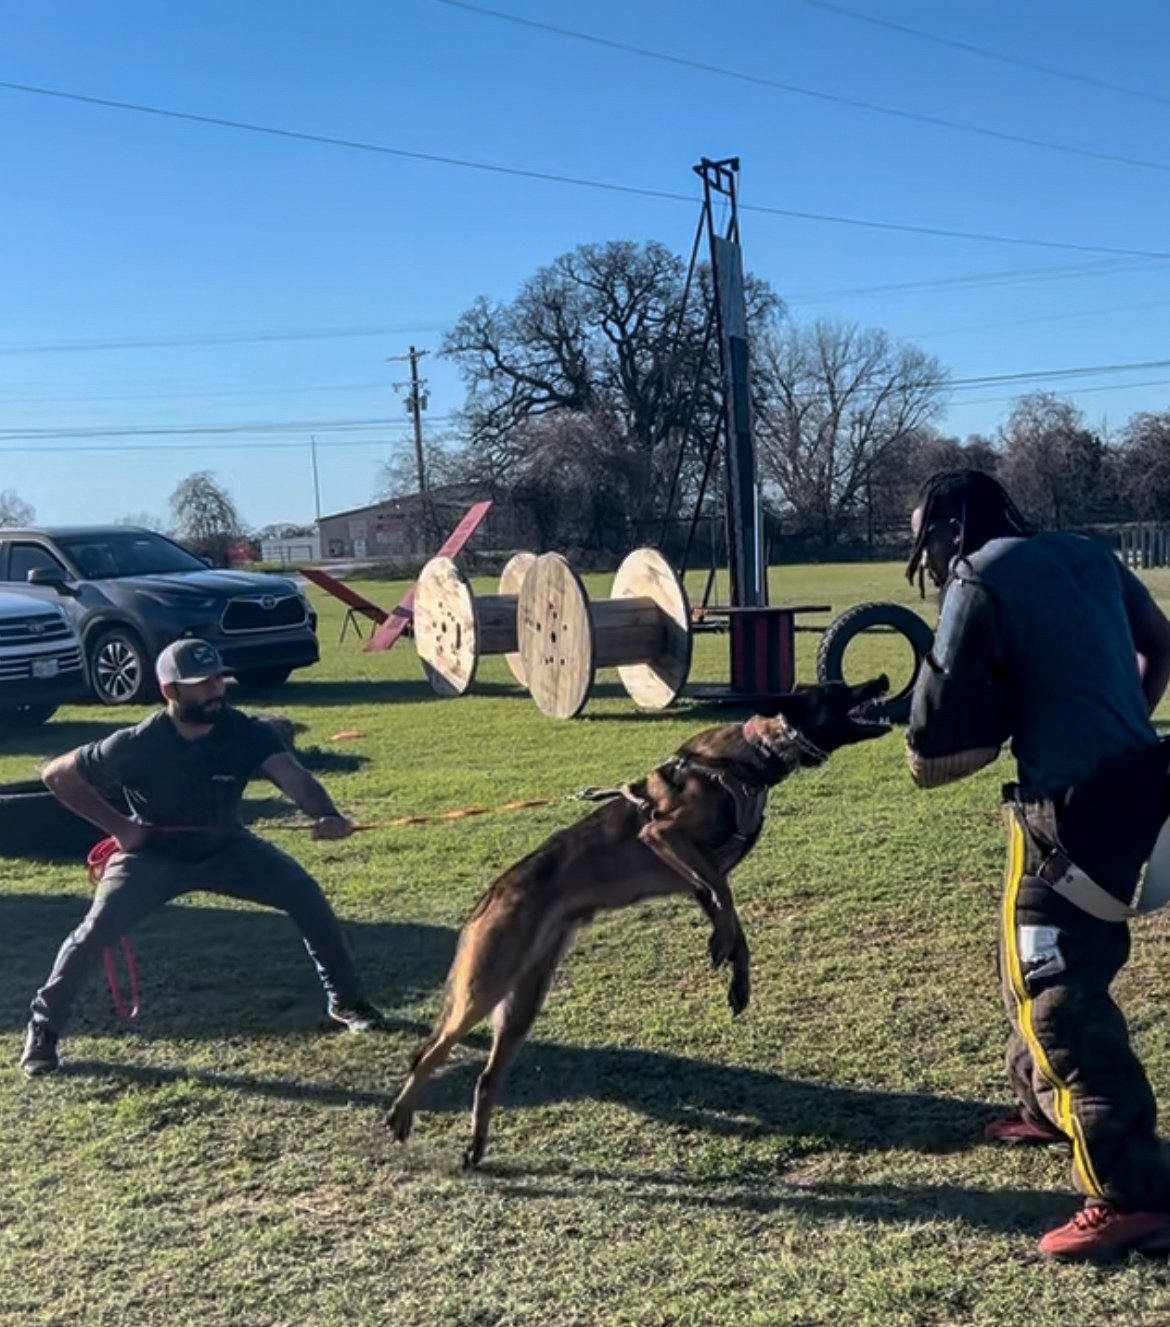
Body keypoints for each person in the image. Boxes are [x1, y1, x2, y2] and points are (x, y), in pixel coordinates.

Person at [904, 469, 1170, 1263]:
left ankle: (1133, 1192)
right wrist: (1110, 728)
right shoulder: (1086, 551)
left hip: (1070, 810)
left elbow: (932, 757)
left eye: (929, 539)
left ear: (954, 528)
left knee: (1054, 987)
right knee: (1025, 963)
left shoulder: (978, 577)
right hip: (1139, 783)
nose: (930, 559)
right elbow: (1163, 647)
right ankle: (1049, 1105)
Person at [20, 638, 384, 1077]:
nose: (215, 691)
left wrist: (325, 814)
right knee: (95, 931)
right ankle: (43, 1030)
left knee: (305, 894)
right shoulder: (138, 742)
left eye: (217, 679)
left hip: (229, 847)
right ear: (170, 691)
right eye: (200, 684)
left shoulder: (247, 730)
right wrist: (122, 829)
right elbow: (57, 774)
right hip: (152, 856)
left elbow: (293, 776)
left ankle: (347, 1001)